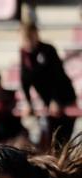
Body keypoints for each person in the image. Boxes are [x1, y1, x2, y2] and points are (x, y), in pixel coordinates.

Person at [19, 22, 77, 151]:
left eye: (29, 37)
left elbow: (58, 77)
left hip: (63, 97)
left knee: (61, 139)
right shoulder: (24, 53)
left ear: (36, 35)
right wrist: (28, 103)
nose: (27, 41)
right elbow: (24, 79)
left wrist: (56, 100)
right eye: (24, 38)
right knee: (49, 140)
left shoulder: (48, 50)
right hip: (47, 100)